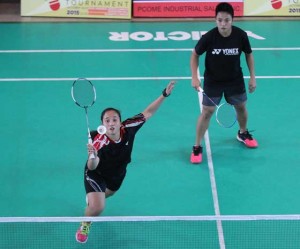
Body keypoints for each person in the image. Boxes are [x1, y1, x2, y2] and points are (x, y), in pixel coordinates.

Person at [75, 81, 176, 243]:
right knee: (97, 207)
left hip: (117, 174)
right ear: (103, 124)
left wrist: (164, 95)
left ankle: (93, 199)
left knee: (110, 193)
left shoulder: (129, 127)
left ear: (120, 122)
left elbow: (148, 112)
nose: (111, 123)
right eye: (107, 121)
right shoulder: (98, 140)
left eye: (114, 119)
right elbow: (91, 166)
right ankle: (85, 224)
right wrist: (92, 155)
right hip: (96, 173)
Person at [190, 2, 258, 164]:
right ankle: (197, 146)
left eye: (226, 20)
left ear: (232, 20)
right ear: (215, 20)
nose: (223, 24)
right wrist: (194, 76)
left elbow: (249, 54)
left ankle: (242, 133)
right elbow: (194, 55)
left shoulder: (240, 36)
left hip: (234, 79)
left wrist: (253, 77)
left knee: (241, 107)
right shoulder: (209, 37)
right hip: (213, 81)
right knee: (207, 112)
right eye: (219, 20)